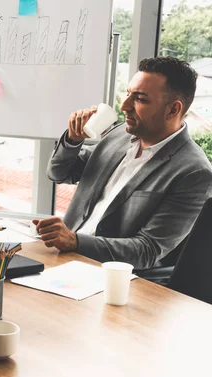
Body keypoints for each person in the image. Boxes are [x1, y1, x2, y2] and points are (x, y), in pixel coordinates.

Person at [33, 57, 212, 281]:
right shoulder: (120, 135)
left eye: (139, 99)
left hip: (115, 281)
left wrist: (75, 241)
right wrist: (73, 140)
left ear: (173, 109)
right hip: (63, 259)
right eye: (128, 93)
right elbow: (60, 173)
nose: (125, 105)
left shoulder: (194, 172)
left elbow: (147, 250)